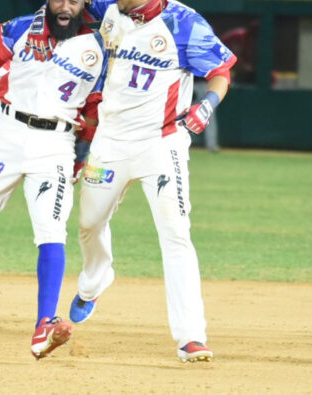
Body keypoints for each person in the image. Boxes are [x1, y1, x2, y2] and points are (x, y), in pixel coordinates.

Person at [68, 0, 236, 363]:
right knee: (89, 224)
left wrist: (206, 104)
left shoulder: (182, 23)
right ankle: (95, 281)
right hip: (109, 141)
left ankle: (191, 336)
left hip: (162, 140)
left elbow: (221, 70)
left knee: (176, 232)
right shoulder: (109, 8)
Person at [0, 0, 106, 359]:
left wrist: (82, 156)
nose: (65, 6)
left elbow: (94, 114)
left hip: (56, 143)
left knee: (51, 231)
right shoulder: (21, 28)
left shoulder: (99, 47)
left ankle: (44, 324)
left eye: (74, 0)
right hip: (6, 133)